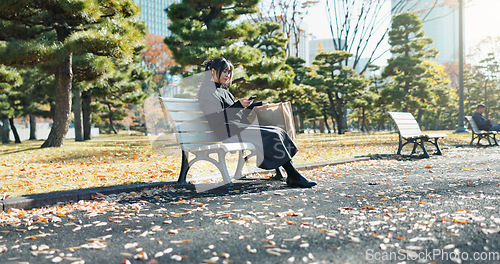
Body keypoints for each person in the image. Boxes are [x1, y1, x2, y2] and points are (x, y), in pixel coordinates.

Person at [197, 57, 316, 188]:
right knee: (272, 135)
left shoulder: (225, 92)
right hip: (225, 133)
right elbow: (216, 120)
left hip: (236, 129)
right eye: (224, 71)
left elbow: (238, 118)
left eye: (229, 72)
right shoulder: (207, 92)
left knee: (277, 131)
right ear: (213, 71)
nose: (227, 75)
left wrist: (251, 107)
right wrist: (238, 106)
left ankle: (292, 174)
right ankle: (293, 175)